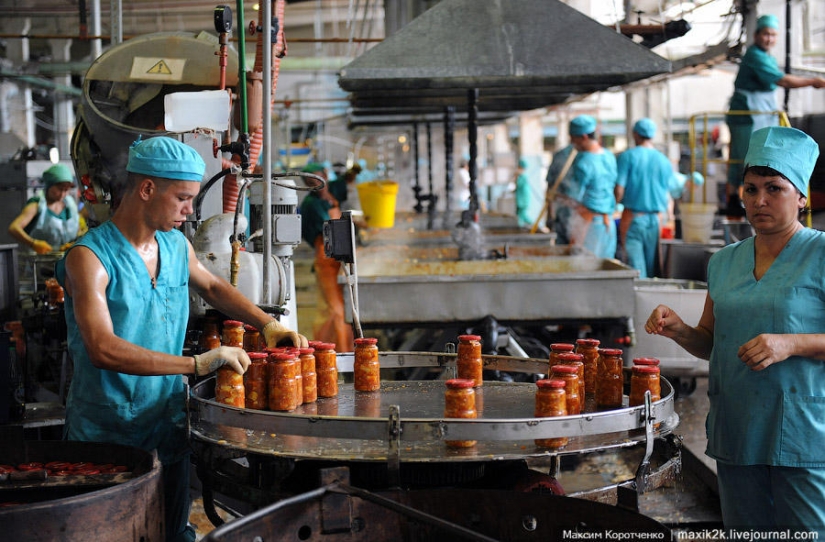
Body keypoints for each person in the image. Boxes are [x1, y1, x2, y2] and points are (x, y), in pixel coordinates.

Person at [56, 136, 307, 542]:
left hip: (165, 422)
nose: (191, 209)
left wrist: (267, 324)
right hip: (107, 433)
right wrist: (198, 365)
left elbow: (212, 286)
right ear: (147, 189)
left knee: (172, 531)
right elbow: (101, 348)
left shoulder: (175, 245)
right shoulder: (89, 258)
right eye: (183, 198)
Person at [645, 126, 825, 535]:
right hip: (738, 428)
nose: (759, 200)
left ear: (801, 197)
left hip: (803, 433)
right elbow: (711, 342)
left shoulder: (820, 253)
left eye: (775, 189)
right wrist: (678, 329)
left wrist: (790, 344)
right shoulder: (724, 262)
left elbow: (791, 343)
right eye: (750, 189)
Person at [725, 14, 825, 216]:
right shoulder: (754, 55)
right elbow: (783, 81)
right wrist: (813, 81)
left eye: (773, 35)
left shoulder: (766, 57)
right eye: (765, 34)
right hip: (747, 115)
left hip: (761, 113)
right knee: (744, 158)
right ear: (756, 35)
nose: (769, 38)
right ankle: (736, 199)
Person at [299, 162, 354, 352]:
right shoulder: (310, 205)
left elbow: (346, 181)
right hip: (326, 262)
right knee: (336, 311)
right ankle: (334, 355)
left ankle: (346, 352)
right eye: (309, 180)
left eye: (317, 176)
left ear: (325, 175)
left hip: (340, 261)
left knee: (345, 309)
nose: (314, 182)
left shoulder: (330, 195)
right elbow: (329, 233)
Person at [615, 118, 674, 277]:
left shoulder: (627, 157)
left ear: (635, 134)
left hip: (633, 219)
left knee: (636, 269)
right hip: (656, 220)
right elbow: (669, 193)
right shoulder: (663, 160)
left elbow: (619, 190)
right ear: (653, 136)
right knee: (652, 267)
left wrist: (612, 206)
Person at [566, 115, 618, 259]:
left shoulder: (583, 161)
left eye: (573, 138)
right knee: (607, 268)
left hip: (590, 225)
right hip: (608, 223)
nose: (572, 142)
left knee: (587, 270)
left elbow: (575, 199)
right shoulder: (609, 156)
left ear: (583, 137)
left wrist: (559, 197)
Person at [8, 163, 84, 254]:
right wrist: (33, 243)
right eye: (60, 189)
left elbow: (77, 230)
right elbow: (13, 228)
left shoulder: (70, 205)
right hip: (37, 262)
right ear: (49, 185)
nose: (63, 194)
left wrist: (73, 243)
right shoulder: (36, 206)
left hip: (65, 261)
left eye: (66, 190)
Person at [544, 143, 579, 244]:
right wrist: (550, 216)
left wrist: (549, 215)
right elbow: (550, 190)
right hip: (566, 216)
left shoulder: (560, 156)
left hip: (575, 218)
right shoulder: (562, 156)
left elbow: (549, 190)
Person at [514, 158, 532, 228]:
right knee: (521, 215)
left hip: (523, 201)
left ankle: (534, 226)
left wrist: (516, 176)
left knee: (522, 216)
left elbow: (518, 184)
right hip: (521, 200)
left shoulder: (523, 177)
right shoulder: (521, 177)